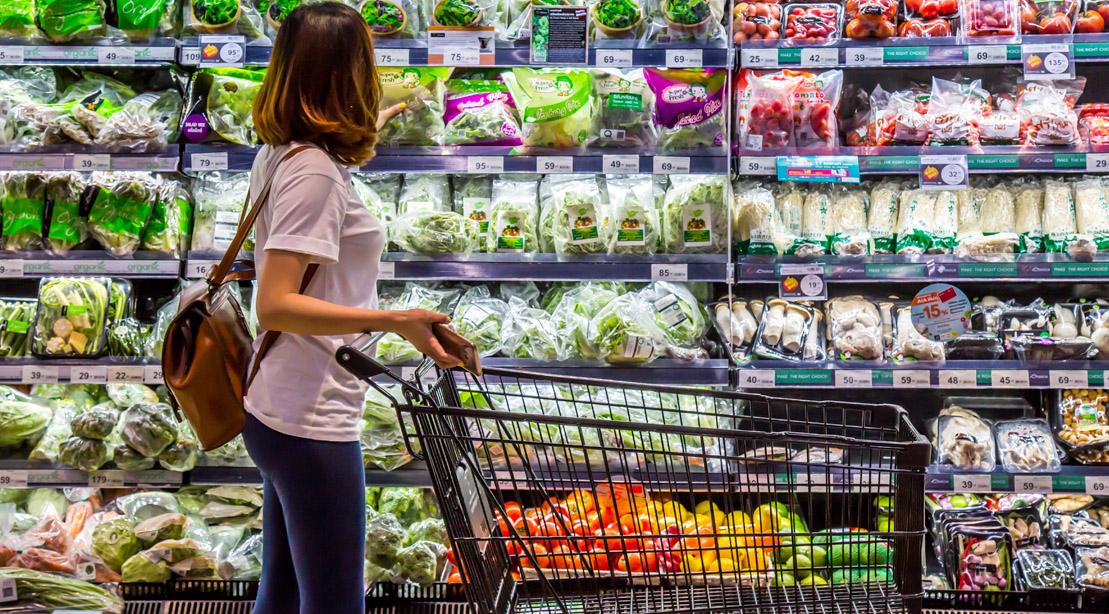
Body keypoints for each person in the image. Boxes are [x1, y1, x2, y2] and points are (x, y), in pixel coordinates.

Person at [242, 4, 459, 613]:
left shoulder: (287, 151)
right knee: (336, 604)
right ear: (350, 74)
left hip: (280, 406)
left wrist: (372, 128)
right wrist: (394, 321)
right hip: (309, 419)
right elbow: (276, 304)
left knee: (282, 593)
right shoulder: (313, 174)